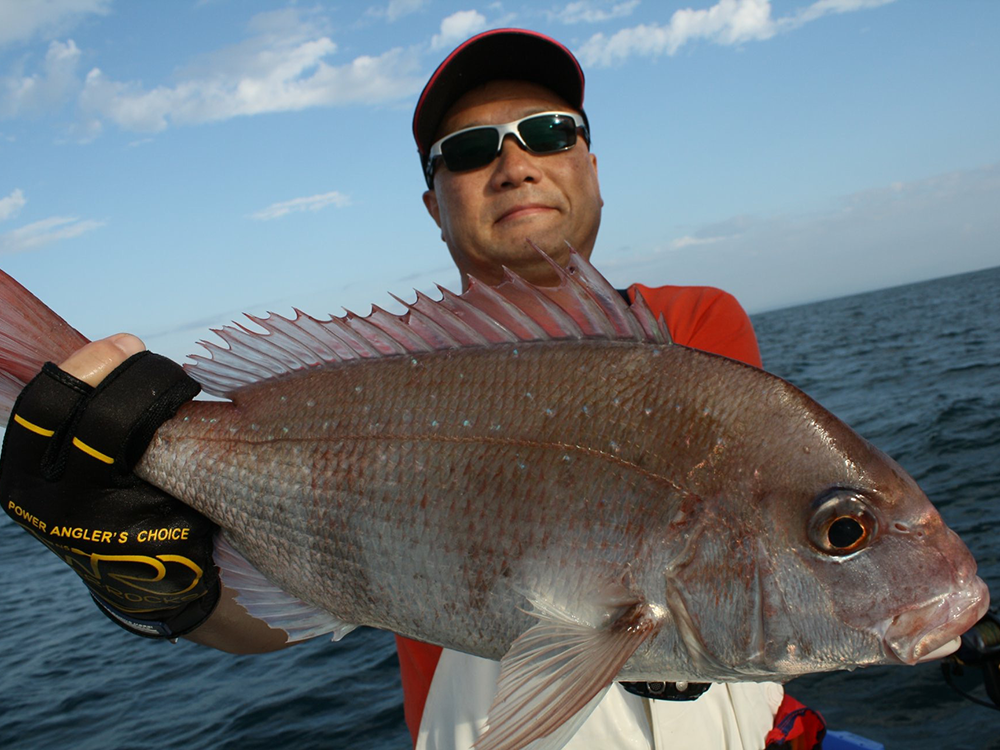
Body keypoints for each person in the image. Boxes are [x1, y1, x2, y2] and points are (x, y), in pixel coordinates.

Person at [1, 28, 824, 750]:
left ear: (593, 167)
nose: (513, 163)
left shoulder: (695, 325)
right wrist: (143, 580)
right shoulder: (374, 384)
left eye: (548, 132)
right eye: (468, 150)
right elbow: (266, 624)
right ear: (433, 203)